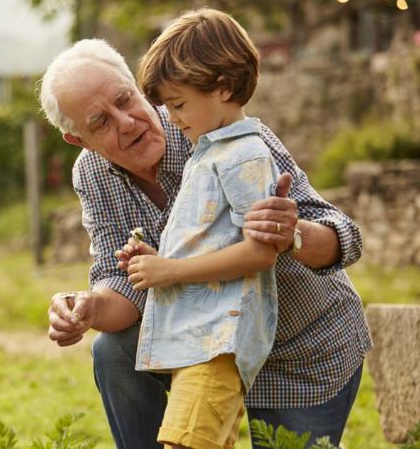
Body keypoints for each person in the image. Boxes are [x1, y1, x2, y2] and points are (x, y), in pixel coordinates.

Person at [39, 37, 371, 448]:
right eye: (100, 122)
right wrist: (88, 308)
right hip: (202, 346)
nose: (126, 122)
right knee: (114, 351)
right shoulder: (92, 174)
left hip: (297, 344)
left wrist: (293, 234)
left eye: (125, 100)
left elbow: (345, 237)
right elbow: (121, 282)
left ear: (138, 86)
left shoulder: (224, 131)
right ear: (79, 140)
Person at [116, 9, 282, 449]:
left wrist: (169, 272)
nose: (171, 118)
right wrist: (154, 258)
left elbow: (261, 252)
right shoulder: (207, 152)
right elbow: (211, 239)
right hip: (198, 340)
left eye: (179, 103)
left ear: (223, 87)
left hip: (217, 342)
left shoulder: (245, 155)